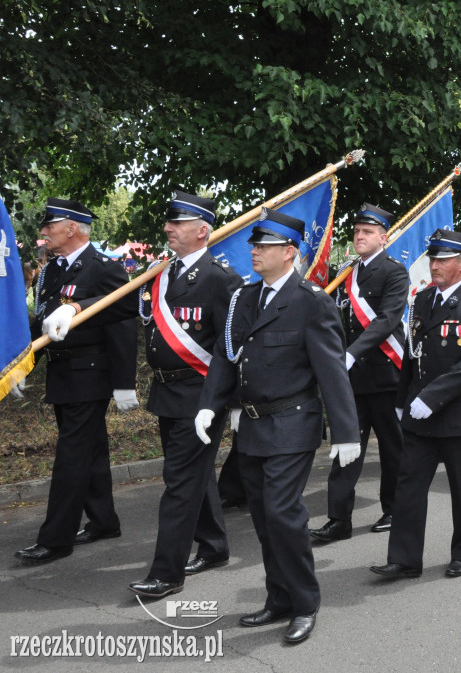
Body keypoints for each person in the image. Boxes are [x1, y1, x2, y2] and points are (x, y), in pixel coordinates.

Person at [195, 208, 360, 644]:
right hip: (251, 427)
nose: (254, 252)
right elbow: (225, 358)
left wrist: (346, 431)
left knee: (285, 515)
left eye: (263, 246)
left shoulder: (311, 301)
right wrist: (210, 406)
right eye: (254, 245)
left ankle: (305, 603)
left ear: (288, 252)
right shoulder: (244, 300)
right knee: (265, 520)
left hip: (292, 424)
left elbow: (331, 371)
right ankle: (279, 598)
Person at [127, 192, 243, 598]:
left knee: (179, 481)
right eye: (168, 222)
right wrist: (74, 309)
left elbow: (234, 345)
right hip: (167, 392)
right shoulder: (161, 274)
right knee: (193, 476)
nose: (167, 229)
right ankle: (213, 547)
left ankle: (166, 573)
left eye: (176, 223)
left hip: (200, 398)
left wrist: (235, 400)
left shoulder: (220, 278)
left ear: (202, 230)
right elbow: (121, 306)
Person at [15, 198, 138, 566]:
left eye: (50, 225)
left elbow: (124, 315)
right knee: (92, 451)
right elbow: (41, 327)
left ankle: (56, 538)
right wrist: (21, 366)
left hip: (91, 374)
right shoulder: (52, 272)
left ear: (71, 227)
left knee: (71, 457)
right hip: (62, 374)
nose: (44, 231)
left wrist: (123, 381)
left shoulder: (104, 268)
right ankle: (104, 522)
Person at [370, 229, 461, 580]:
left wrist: (431, 397)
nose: (434, 266)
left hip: (459, 414)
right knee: (408, 487)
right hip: (419, 416)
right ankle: (405, 559)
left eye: (442, 260)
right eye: (432, 259)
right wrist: (402, 400)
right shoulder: (422, 301)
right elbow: (412, 356)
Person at [309, 203, 408, 542]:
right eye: (357, 232)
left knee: (393, 450)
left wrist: (351, 354)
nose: (360, 236)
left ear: (383, 237)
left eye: (367, 232)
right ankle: (339, 519)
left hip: (385, 377)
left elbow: (387, 320)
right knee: (345, 447)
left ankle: (395, 509)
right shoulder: (346, 273)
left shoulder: (394, 273)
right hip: (350, 380)